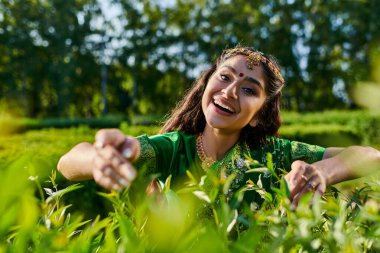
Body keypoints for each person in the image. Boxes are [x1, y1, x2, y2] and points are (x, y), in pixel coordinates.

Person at [58, 47, 380, 207]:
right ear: (206, 86)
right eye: (225, 77)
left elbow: (369, 154)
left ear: (258, 115)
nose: (229, 91)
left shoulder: (273, 155)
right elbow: (69, 161)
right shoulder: (171, 150)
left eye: (249, 89)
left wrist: (323, 172)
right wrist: (98, 157)